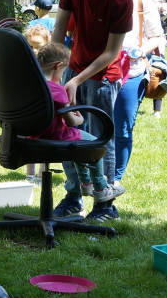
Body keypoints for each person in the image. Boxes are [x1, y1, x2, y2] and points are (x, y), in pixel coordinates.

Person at [51, 0, 133, 222]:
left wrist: (76, 79)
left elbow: (112, 52)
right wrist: (55, 67)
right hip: (73, 67)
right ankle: (74, 197)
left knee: (100, 137)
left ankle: (104, 203)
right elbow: (60, 29)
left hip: (104, 74)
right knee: (69, 133)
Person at [32, 43, 123, 203]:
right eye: (62, 71)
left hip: (34, 136)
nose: (62, 76)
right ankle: (101, 188)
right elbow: (72, 122)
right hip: (57, 136)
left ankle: (86, 183)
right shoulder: (57, 90)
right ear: (57, 66)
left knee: (79, 145)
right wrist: (80, 118)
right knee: (95, 145)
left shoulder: (29, 86)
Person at [112, 0, 166, 185]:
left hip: (132, 73)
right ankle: (96, 177)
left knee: (123, 128)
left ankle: (115, 178)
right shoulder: (95, 0)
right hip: (99, 75)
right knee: (95, 127)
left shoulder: (143, 2)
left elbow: (157, 37)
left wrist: (140, 51)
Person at [23, 23, 51, 184]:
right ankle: (29, 175)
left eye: (38, 46)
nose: (34, 50)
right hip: (30, 109)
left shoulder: (50, 65)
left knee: (43, 142)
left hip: (45, 109)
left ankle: (41, 175)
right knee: (29, 142)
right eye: (30, 46)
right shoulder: (27, 63)